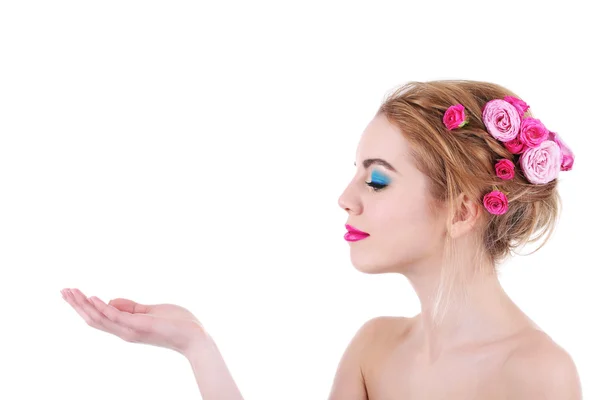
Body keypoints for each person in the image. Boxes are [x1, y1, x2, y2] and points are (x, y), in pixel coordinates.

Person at [61, 80, 582, 399]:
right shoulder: (374, 347)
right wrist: (197, 347)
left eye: (376, 179)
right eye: (355, 173)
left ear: (464, 209)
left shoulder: (539, 374)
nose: (346, 197)